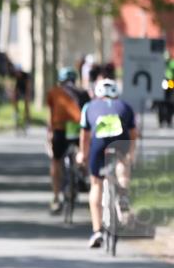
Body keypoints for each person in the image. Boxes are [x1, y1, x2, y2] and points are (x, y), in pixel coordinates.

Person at [76, 78, 137, 249]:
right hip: (121, 139)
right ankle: (123, 195)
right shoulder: (125, 106)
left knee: (96, 184)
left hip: (99, 141)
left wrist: (83, 154)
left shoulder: (89, 106)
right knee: (122, 166)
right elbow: (133, 134)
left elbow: (85, 136)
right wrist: (131, 155)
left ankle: (97, 231)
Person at [46, 67, 90, 214]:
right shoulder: (83, 93)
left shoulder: (54, 92)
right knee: (84, 151)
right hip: (78, 128)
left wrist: (49, 133)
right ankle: (83, 174)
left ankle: (56, 197)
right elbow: (88, 114)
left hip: (60, 128)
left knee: (56, 160)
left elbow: (50, 114)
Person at [12, 66, 32, 132]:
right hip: (19, 89)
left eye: (18, 72)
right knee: (14, 97)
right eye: (16, 72)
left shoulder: (26, 76)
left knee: (26, 102)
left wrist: (27, 96)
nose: (17, 74)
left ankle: (27, 118)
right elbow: (15, 87)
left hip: (25, 90)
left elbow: (28, 87)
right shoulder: (16, 77)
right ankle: (16, 112)